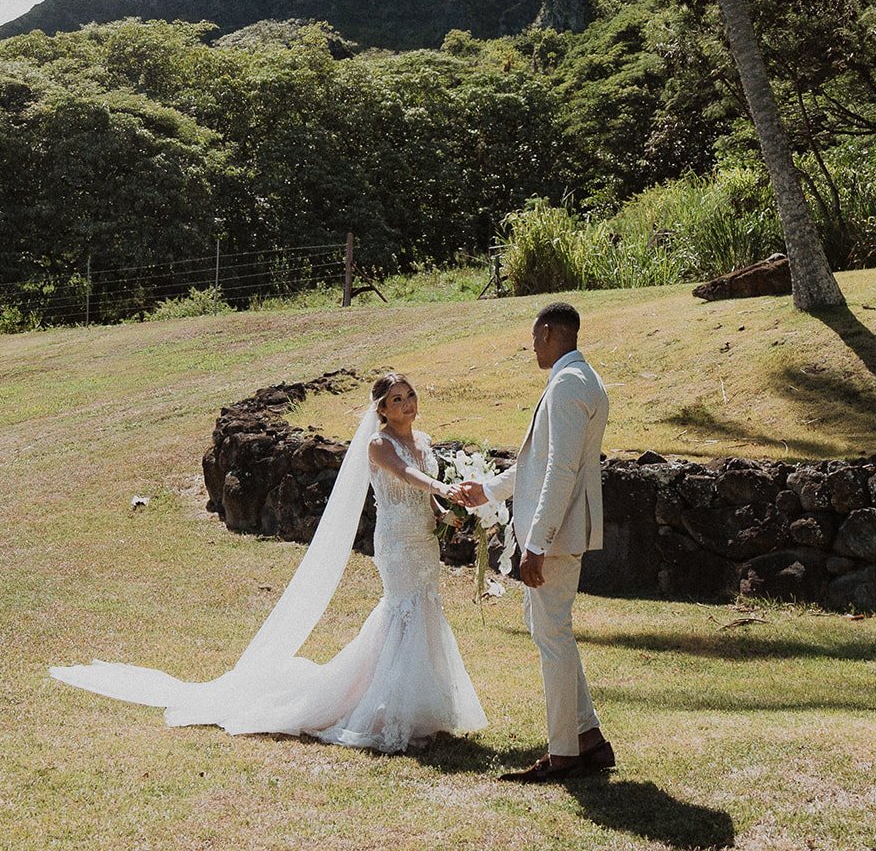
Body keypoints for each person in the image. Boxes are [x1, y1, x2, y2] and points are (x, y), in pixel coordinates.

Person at [50, 372, 486, 754]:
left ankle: (418, 707)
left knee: (423, 610)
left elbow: (422, 492)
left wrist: (445, 513)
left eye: (410, 396)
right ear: (382, 410)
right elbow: (406, 477)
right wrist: (445, 489)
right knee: (402, 612)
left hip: (423, 540)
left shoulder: (424, 442)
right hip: (396, 544)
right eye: (397, 400)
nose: (407, 404)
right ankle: (387, 712)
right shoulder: (378, 444)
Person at [453, 301, 612, 783]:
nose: (531, 344)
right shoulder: (584, 378)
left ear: (547, 331)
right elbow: (539, 461)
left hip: (557, 536)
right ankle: (588, 738)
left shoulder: (566, 385)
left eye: (534, 335)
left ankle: (564, 754)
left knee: (553, 636)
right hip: (566, 530)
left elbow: (561, 471)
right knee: (550, 629)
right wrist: (490, 489)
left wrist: (536, 542)